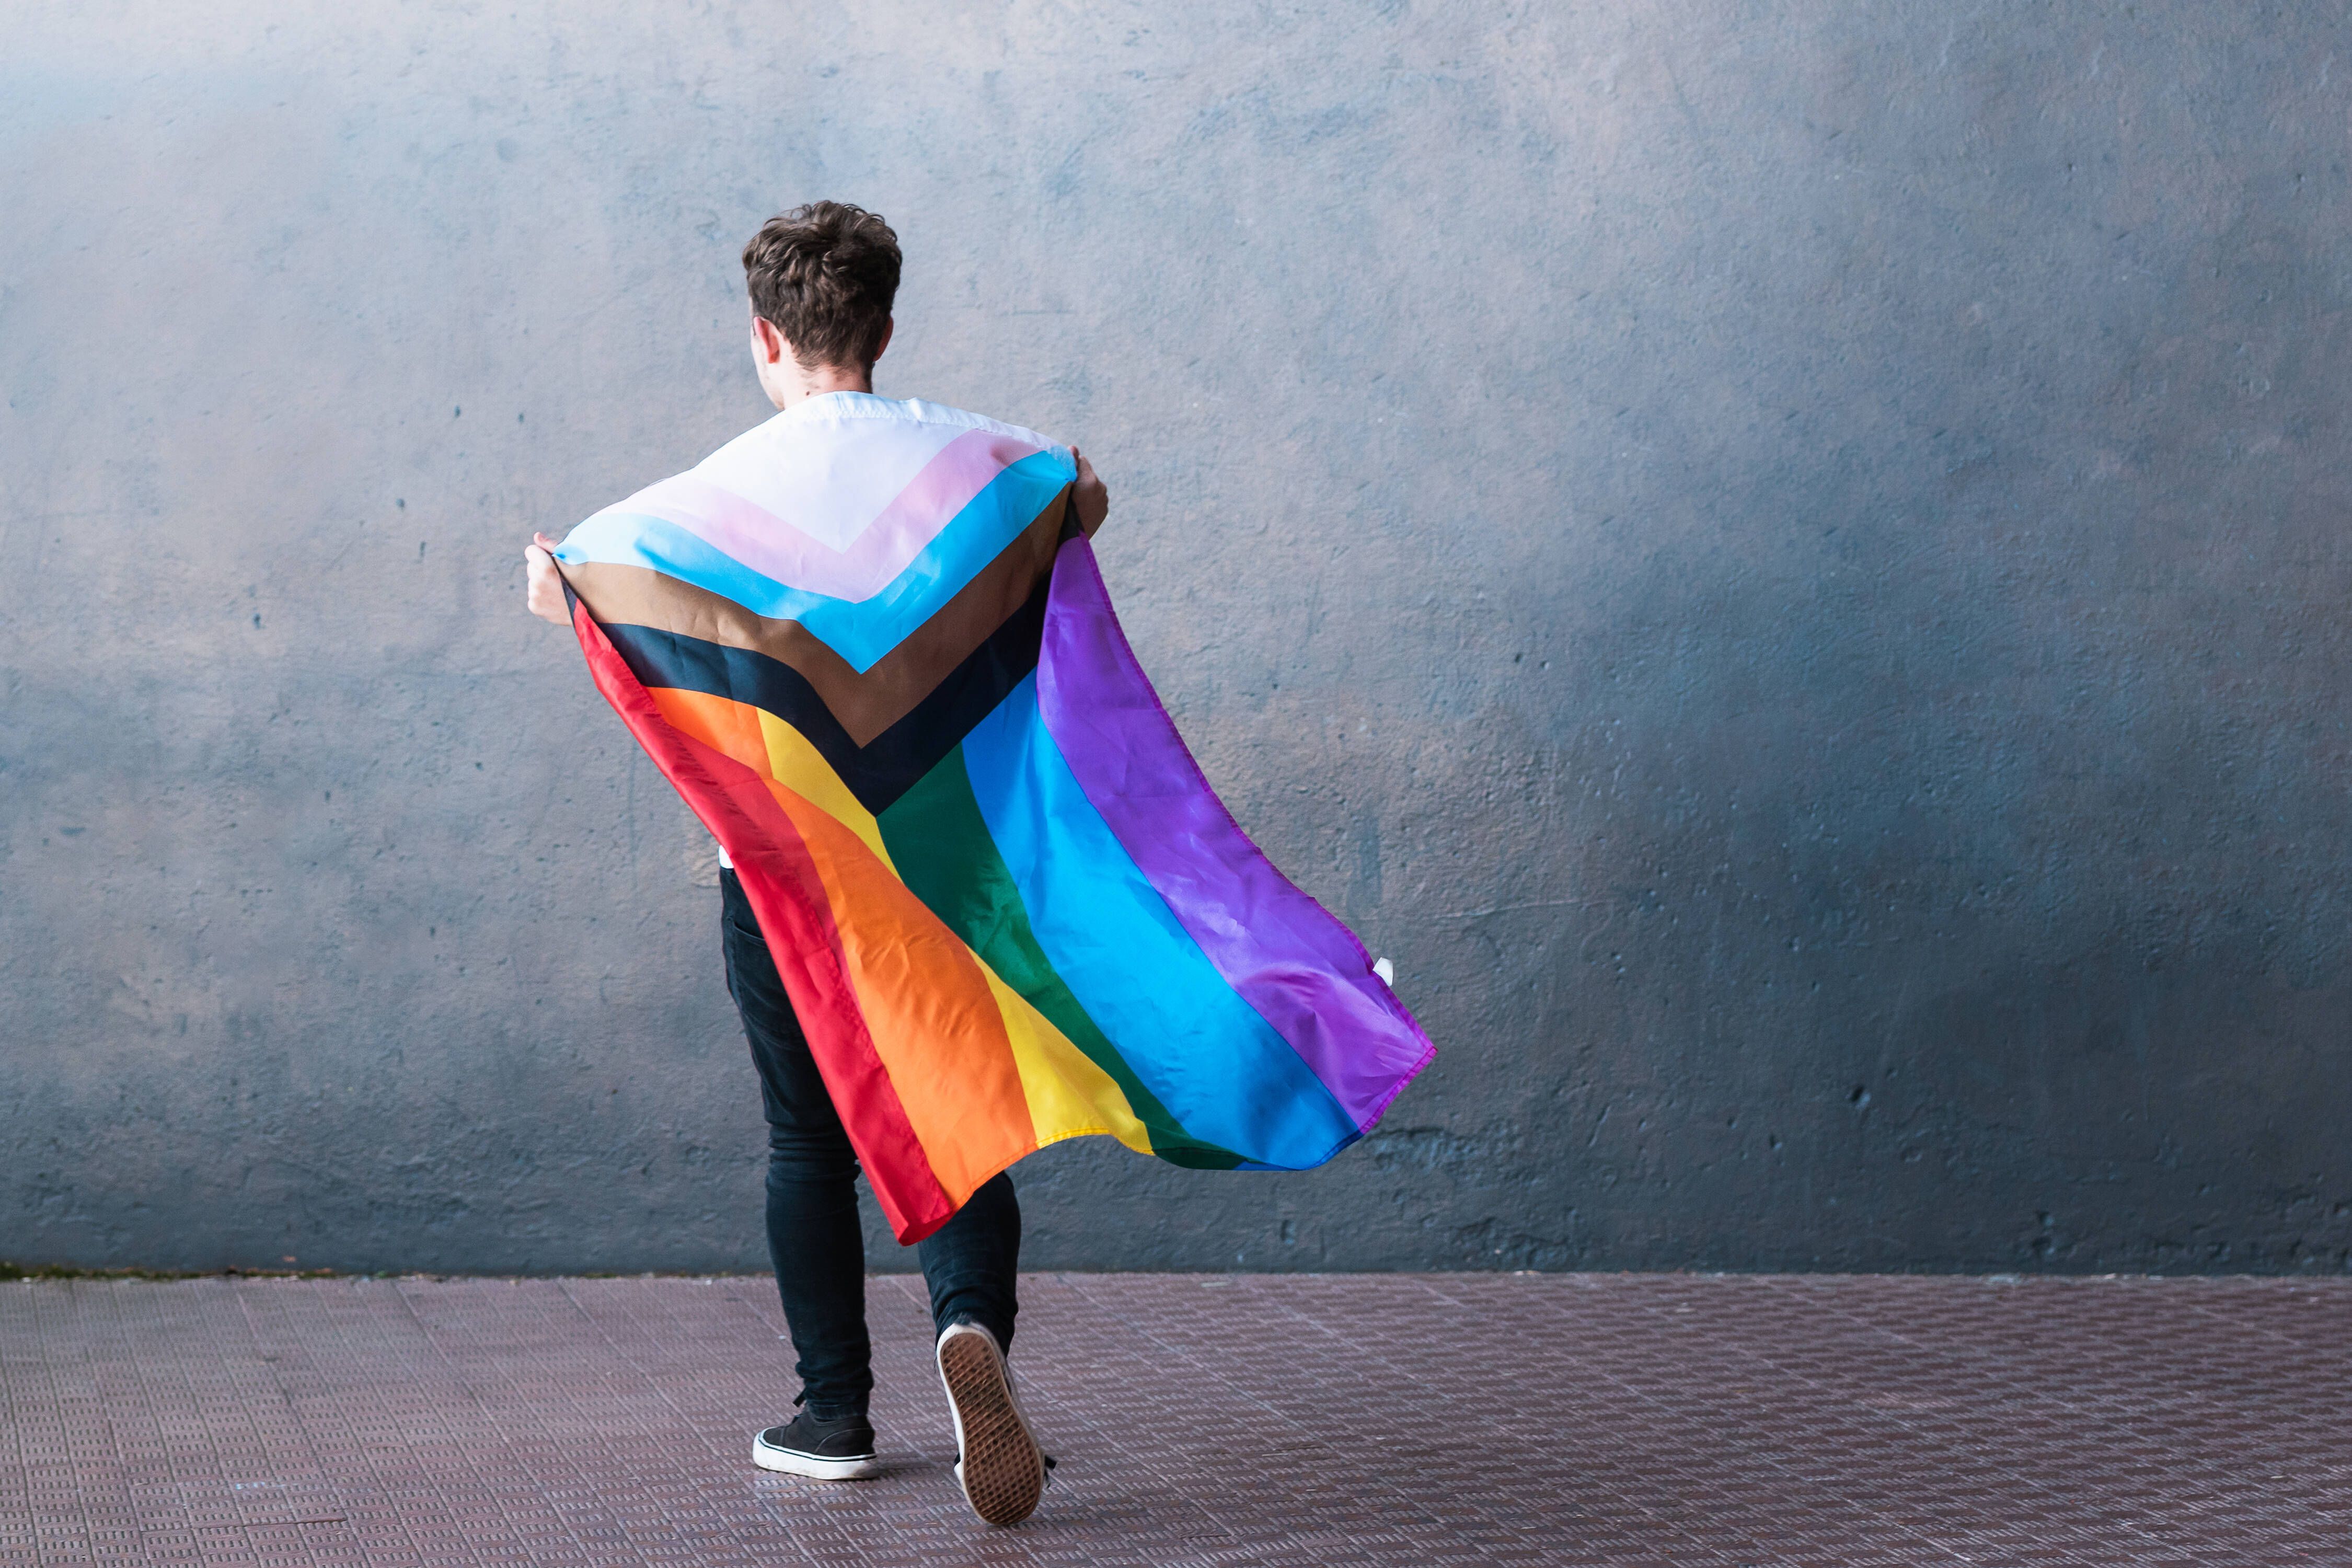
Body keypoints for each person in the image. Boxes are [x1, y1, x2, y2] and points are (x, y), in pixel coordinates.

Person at [521, 202, 1108, 1527]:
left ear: (763, 338)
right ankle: (973, 1333)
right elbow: (1079, 499)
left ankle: (833, 1416)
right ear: (887, 329)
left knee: (808, 1139)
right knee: (959, 1103)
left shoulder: (694, 501)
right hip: (941, 865)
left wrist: (560, 586)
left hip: (780, 872)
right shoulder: (988, 463)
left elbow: (582, 584)